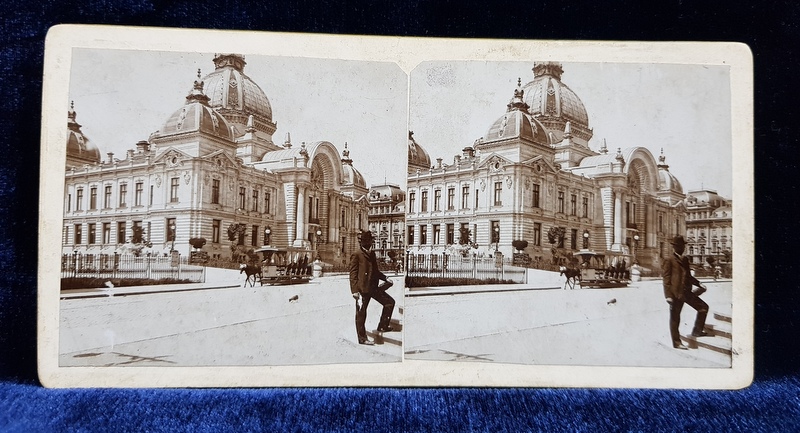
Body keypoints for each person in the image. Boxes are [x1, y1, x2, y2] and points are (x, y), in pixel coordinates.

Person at [662, 235, 710, 350]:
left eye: (683, 246)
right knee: (675, 318)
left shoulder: (685, 259)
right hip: (675, 294)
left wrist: (699, 284)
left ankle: (697, 331)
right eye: (680, 246)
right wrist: (668, 296)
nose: (683, 248)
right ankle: (677, 342)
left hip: (686, 293)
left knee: (703, 307)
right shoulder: (669, 260)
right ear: (675, 247)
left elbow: (688, 276)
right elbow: (666, 279)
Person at [349, 230, 396, 345]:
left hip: (373, 288)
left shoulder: (372, 254)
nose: (368, 243)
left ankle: (383, 326)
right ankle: (362, 338)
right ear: (362, 243)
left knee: (389, 302)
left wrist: (385, 278)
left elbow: (375, 271)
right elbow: (353, 274)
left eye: (369, 241)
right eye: (365, 241)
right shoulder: (356, 254)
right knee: (361, 313)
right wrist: (354, 291)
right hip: (362, 290)